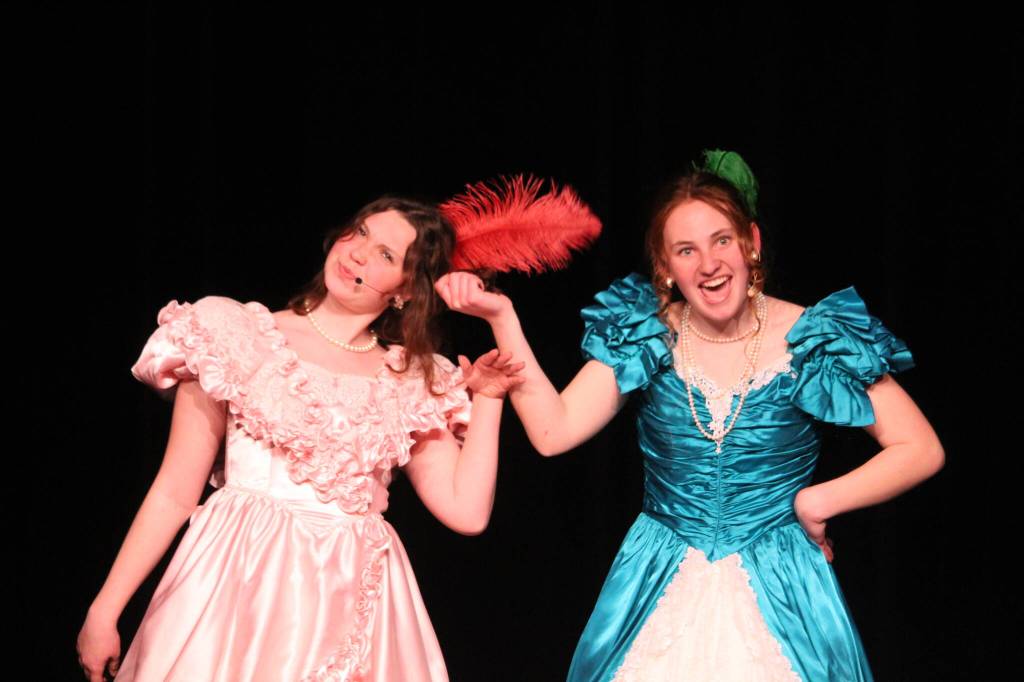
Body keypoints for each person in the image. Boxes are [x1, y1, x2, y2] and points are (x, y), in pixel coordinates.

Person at [435, 151, 944, 681]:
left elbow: (920, 447)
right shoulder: (646, 333)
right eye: (686, 250)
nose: (708, 264)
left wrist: (819, 500)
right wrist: (502, 317)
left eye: (721, 240)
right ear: (665, 267)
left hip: (783, 583)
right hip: (660, 574)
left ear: (751, 243)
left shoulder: (814, 337)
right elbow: (552, 431)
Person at [77, 197, 524, 682]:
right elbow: (174, 491)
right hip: (235, 586)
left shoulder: (412, 381)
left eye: (386, 255)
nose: (358, 253)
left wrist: (489, 398)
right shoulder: (232, 334)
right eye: (360, 232)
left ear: (406, 290)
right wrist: (105, 610)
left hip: (349, 597)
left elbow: (467, 512)